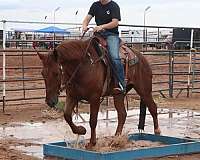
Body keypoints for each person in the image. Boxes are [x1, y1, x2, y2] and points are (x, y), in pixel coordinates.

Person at [82, 0, 126, 93]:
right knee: (85, 50)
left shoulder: (114, 6)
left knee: (114, 57)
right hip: (98, 34)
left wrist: (102, 26)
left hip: (111, 35)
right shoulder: (95, 5)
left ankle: (122, 83)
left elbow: (115, 22)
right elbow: (87, 18)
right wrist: (84, 25)